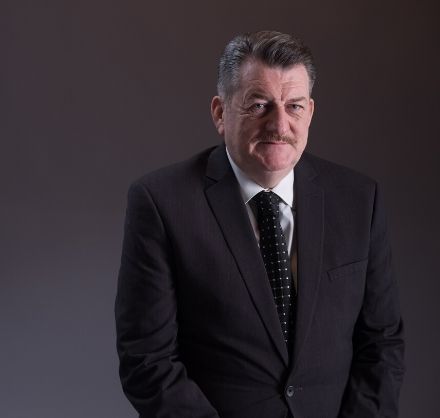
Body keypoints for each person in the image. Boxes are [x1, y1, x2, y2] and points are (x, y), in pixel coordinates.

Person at [115, 31, 405, 418]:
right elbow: (146, 360)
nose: (279, 124)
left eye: (294, 106)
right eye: (259, 105)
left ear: (310, 112)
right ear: (220, 113)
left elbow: (382, 344)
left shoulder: (358, 199)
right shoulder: (162, 202)